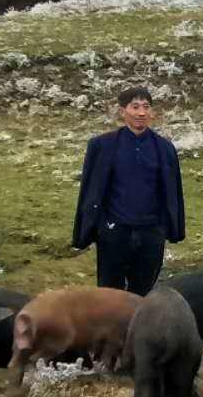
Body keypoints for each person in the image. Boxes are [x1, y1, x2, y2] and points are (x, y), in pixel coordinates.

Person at [72, 85, 185, 295]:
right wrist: (100, 226)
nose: (141, 113)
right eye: (135, 107)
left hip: (151, 232)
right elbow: (91, 188)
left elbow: (172, 191)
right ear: (122, 111)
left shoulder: (164, 148)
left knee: (144, 291)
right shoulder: (102, 145)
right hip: (114, 231)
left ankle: (139, 328)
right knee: (109, 293)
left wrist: (165, 228)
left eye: (146, 107)